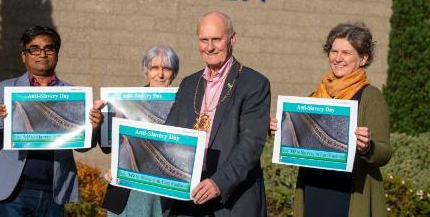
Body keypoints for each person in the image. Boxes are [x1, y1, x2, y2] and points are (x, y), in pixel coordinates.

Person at [0, 26, 104, 216]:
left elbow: (82, 147)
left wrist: (93, 128)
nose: (42, 54)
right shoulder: (6, 89)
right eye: (34, 49)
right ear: (24, 56)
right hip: (13, 192)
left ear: (57, 54)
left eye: (48, 48)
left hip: (54, 191)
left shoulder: (73, 95)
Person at [270, 22, 392, 217]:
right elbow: (300, 139)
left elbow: (384, 153)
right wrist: (279, 130)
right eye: (334, 51)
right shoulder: (315, 95)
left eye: (346, 53)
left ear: (363, 58)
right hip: (313, 189)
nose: (337, 58)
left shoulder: (371, 96)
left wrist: (368, 147)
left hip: (348, 195)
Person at [164, 11, 271, 216]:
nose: (210, 47)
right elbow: (168, 135)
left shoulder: (254, 84)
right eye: (204, 40)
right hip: (188, 198)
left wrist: (218, 182)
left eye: (216, 39)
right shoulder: (189, 84)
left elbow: (251, 144)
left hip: (231, 199)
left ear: (232, 39)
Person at [101, 45, 180, 216]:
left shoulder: (184, 106)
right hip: (124, 190)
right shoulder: (126, 102)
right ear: (146, 70)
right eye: (154, 68)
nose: (160, 74)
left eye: (166, 68)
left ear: (174, 73)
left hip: (161, 193)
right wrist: (98, 122)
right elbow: (108, 146)